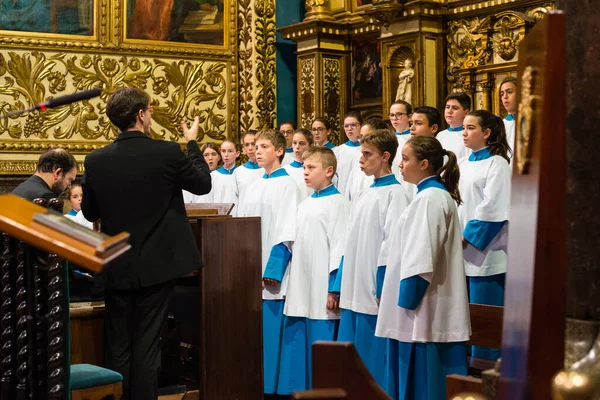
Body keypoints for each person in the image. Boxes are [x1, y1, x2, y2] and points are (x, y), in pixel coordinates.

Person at [81, 87, 212, 400]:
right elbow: (203, 184)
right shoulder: (165, 152)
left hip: (116, 265)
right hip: (158, 266)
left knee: (118, 346)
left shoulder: (96, 160)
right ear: (141, 115)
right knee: (147, 344)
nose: (151, 116)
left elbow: (89, 212)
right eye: (150, 111)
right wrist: (192, 142)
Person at [376, 136, 470, 400]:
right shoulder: (432, 196)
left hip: (422, 313)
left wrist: (404, 305)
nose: (400, 165)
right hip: (424, 307)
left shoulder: (429, 199)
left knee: (424, 386)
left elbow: (420, 257)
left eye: (406, 159)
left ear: (425, 164)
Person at [333, 129, 410, 387]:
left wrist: (382, 284)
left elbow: (393, 245)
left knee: (372, 359)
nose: (361, 159)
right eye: (361, 153)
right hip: (354, 285)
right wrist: (341, 282)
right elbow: (350, 241)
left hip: (373, 289)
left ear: (385, 157)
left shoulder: (396, 194)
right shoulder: (365, 192)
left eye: (368, 154)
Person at [277, 147, 350, 394]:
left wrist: (334, 289)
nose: (305, 173)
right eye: (304, 168)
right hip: (301, 286)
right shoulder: (305, 203)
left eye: (311, 168)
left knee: (322, 348)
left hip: (321, 289)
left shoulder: (339, 203)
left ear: (329, 171)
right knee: (299, 349)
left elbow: (340, 249)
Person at [239, 129, 300, 396]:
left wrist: (274, 268)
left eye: (263, 146)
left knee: (272, 334)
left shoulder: (289, 184)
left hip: (272, 273)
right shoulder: (254, 184)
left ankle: (271, 388)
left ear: (279, 151)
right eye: (254, 146)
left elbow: (288, 230)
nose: (257, 150)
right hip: (249, 267)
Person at [459, 110, 511, 360]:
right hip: (460, 248)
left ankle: (488, 371)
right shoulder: (462, 163)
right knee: (465, 316)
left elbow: (493, 206)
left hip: (487, 251)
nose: (464, 133)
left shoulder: (497, 163)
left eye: (470, 128)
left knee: (485, 319)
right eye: (464, 128)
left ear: (486, 133)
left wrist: (466, 237)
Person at [343, 118, 387, 201]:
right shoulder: (357, 167)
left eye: (368, 137)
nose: (362, 142)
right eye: (361, 137)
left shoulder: (391, 166)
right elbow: (349, 197)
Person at [12, 147, 77, 201]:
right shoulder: (46, 197)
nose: (69, 186)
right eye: (69, 179)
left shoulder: (20, 188)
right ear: (58, 172)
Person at [233, 130, 264, 216]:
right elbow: (234, 200)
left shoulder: (267, 170)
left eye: (253, 144)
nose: (250, 148)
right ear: (243, 147)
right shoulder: (238, 172)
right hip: (243, 218)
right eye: (247, 145)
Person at [389, 101, 413, 200]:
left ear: (410, 116)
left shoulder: (414, 138)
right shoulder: (387, 139)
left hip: (410, 185)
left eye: (399, 114)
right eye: (392, 115)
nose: (394, 118)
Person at [334, 111, 363, 196]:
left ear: (361, 125)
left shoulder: (367, 149)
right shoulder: (338, 151)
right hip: (342, 194)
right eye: (346, 126)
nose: (349, 128)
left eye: (353, 125)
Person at [437, 92, 472, 160]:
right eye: (447, 107)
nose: (449, 111)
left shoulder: (470, 135)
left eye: (455, 108)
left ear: (466, 113)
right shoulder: (440, 135)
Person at [210, 139, 240, 213]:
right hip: (218, 216)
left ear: (237, 153)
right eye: (223, 151)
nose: (226, 155)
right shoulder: (214, 175)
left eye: (230, 151)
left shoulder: (241, 174)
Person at [284, 128, 314, 199]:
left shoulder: (316, 169)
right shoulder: (285, 170)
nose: (297, 147)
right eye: (294, 143)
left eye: (302, 143)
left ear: (311, 146)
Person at [499, 76, 518, 157]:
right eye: (502, 94)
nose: (505, 97)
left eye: (509, 92)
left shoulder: (533, 122)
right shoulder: (499, 126)